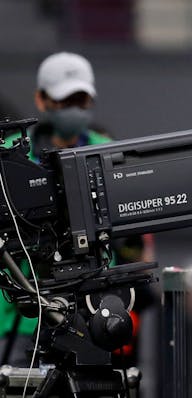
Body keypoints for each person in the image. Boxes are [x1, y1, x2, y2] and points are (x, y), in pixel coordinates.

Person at [0, 51, 155, 367]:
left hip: (94, 314)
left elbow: (138, 239)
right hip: (19, 317)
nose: (74, 108)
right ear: (42, 100)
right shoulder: (10, 156)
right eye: (64, 100)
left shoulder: (108, 152)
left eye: (81, 100)